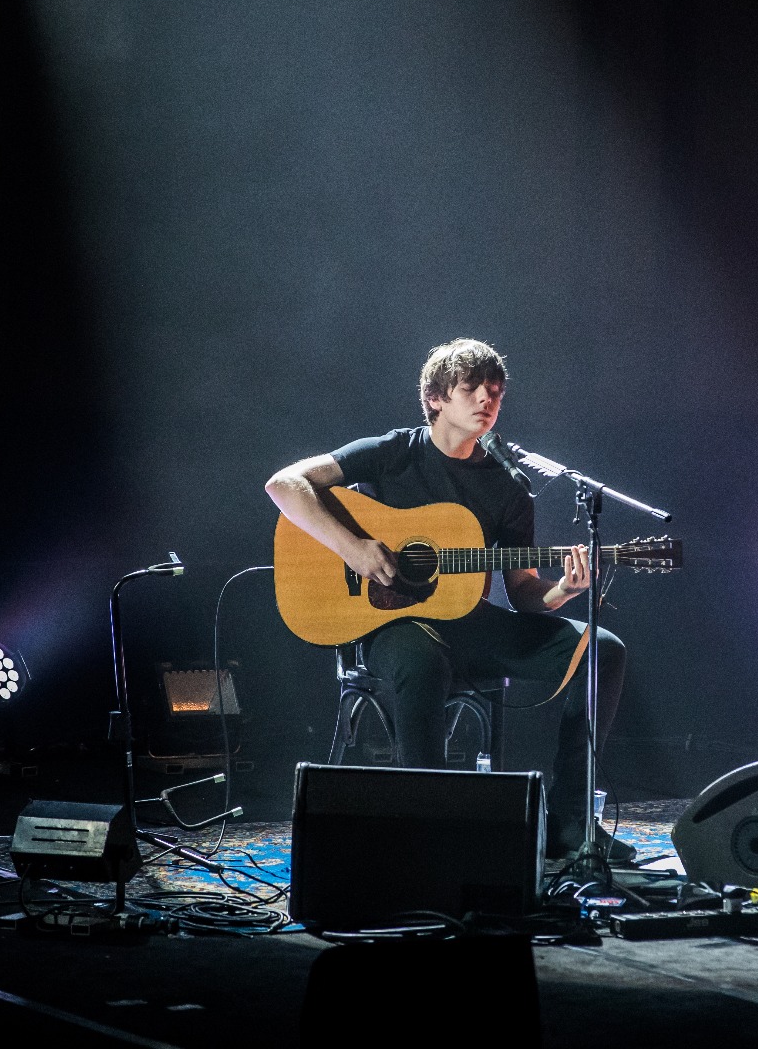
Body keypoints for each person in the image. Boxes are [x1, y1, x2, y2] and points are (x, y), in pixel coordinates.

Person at [265, 338, 633, 864]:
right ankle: (428, 823)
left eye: (496, 391)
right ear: (436, 398)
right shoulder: (395, 451)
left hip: (473, 622)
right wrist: (355, 548)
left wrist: (562, 591)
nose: (488, 398)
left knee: (602, 649)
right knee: (420, 657)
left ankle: (571, 822)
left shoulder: (510, 486)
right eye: (473, 388)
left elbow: (524, 591)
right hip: (393, 623)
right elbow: (285, 484)